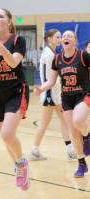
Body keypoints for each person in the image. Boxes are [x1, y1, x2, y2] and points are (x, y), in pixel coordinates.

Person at [0, 8, 30, 190]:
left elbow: (13, 62)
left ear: (8, 22)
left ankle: (22, 163)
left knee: (7, 133)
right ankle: (19, 165)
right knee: (5, 137)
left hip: (15, 90)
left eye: (0, 16)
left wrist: (1, 47)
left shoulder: (18, 40)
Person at [35, 30, 90, 178]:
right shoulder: (57, 59)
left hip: (83, 94)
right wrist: (41, 88)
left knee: (78, 120)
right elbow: (52, 81)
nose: (65, 38)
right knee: (73, 131)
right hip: (66, 98)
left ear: (75, 41)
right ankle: (81, 164)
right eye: (64, 36)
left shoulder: (83, 56)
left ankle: (87, 136)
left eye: (69, 36)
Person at [30, 29, 76, 161]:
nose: (60, 39)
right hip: (51, 94)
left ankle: (69, 149)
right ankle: (35, 149)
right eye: (57, 37)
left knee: (62, 121)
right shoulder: (50, 55)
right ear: (49, 39)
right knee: (48, 123)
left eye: (60, 37)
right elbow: (50, 78)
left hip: (52, 93)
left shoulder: (49, 52)